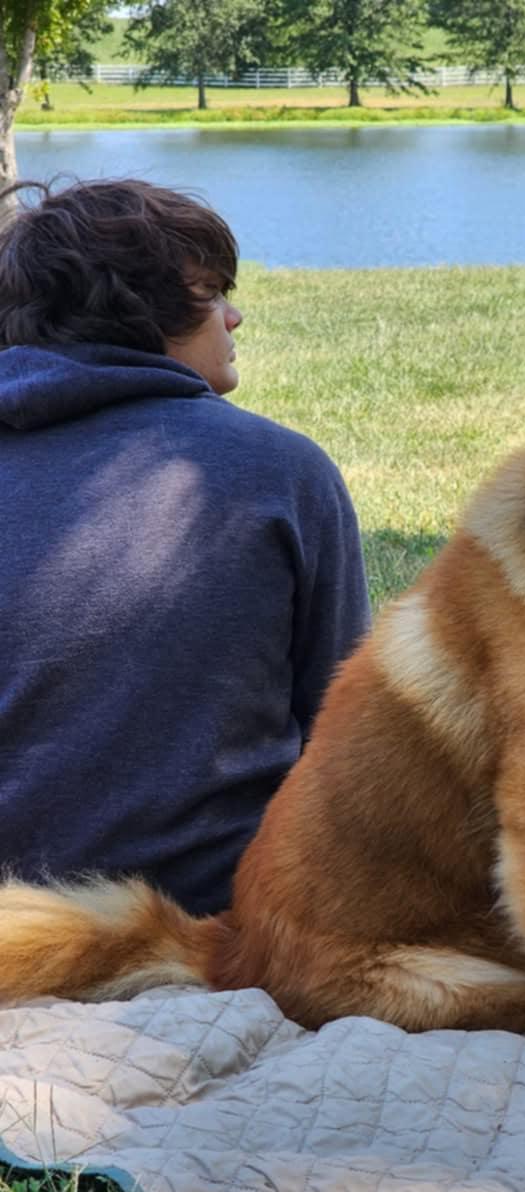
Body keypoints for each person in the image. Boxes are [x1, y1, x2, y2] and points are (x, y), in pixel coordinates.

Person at [0, 178, 371, 915]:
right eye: (213, 294)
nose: (234, 316)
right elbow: (347, 733)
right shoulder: (279, 471)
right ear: (150, 310)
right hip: (213, 926)